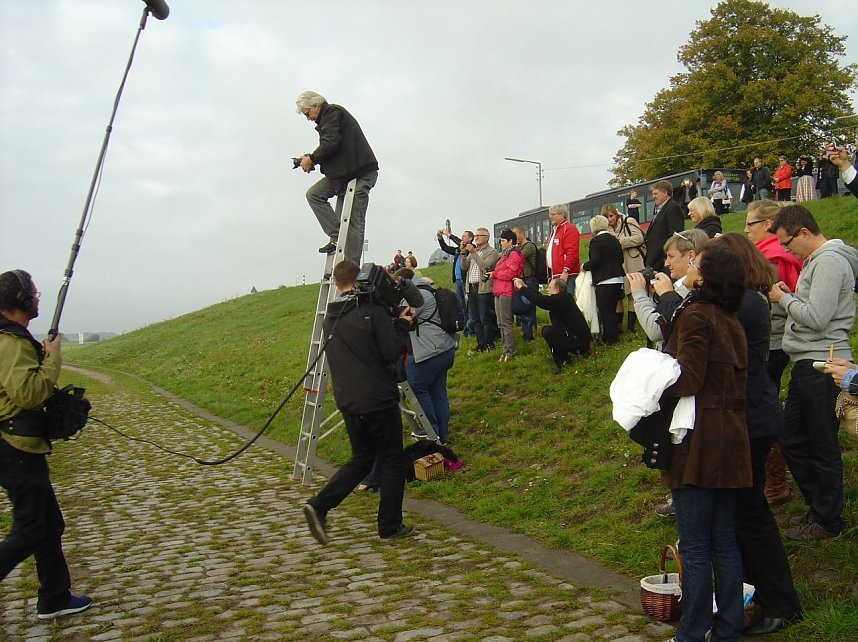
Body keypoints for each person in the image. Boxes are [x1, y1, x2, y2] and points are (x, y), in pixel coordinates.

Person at [709, 235, 803, 637]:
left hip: (751, 419)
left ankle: (781, 603)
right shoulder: (747, 300)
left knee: (752, 515)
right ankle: (750, 595)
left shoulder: (744, 303)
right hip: (750, 416)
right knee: (743, 515)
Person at [660, 244, 751, 642]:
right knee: (723, 542)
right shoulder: (732, 320)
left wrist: (653, 381)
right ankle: (728, 628)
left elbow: (689, 379)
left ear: (705, 276)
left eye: (695, 262)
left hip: (700, 438)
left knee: (697, 545)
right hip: (731, 437)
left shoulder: (697, 314)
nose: (689, 265)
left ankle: (692, 633)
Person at [0, 270, 93, 620]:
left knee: (48, 523)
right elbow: (29, 394)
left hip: (19, 447)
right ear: (21, 300)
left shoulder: (12, 339)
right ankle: (53, 596)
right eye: (35, 293)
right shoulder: (8, 342)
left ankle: (54, 597)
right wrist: (52, 358)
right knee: (31, 529)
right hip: (14, 448)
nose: (39, 298)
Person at [302, 261, 415, 544]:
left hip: (349, 399)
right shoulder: (371, 311)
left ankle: (319, 505)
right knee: (392, 460)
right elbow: (391, 351)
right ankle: (389, 526)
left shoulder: (332, 315)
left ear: (338, 284)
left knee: (362, 458)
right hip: (377, 397)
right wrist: (401, 324)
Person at [768, 205, 858, 540]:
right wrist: (792, 297)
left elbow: (819, 318)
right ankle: (818, 508)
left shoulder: (830, 261)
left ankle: (827, 521)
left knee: (820, 444)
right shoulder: (817, 261)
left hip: (824, 364)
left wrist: (783, 299)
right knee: (793, 438)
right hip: (810, 361)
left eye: (788, 242)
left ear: (804, 232)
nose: (786, 250)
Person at [743, 199, 802, 506]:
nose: (746, 229)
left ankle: (775, 484)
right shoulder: (769, 254)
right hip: (773, 341)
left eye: (750, 224)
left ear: (766, 225)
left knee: (764, 411)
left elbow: (773, 304)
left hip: (773, 342)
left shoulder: (771, 258)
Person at [295, 91, 378, 264]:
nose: (308, 118)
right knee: (314, 195)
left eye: (307, 113)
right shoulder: (328, 119)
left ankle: (351, 268)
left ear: (316, 106)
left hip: (359, 174)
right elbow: (333, 148)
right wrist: (312, 160)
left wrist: (311, 159)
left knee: (355, 222)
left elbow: (331, 143)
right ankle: (338, 235)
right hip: (342, 176)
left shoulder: (332, 113)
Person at [397, 267, 457, 446]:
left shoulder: (418, 295)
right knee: (437, 390)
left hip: (430, 350)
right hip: (444, 348)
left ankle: (432, 432)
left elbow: (406, 317)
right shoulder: (427, 289)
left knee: (416, 387)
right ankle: (442, 436)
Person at [629, 229, 710, 351]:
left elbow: (656, 331)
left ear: (691, 256)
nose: (666, 263)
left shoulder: (689, 290)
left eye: (671, 256)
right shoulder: (691, 287)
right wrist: (655, 295)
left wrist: (639, 294)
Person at [512, 277, 590, 374]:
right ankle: (564, 359)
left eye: (549, 288)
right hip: (580, 338)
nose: (547, 290)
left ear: (557, 290)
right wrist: (525, 287)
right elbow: (541, 298)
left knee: (548, 331)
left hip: (579, 342)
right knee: (552, 330)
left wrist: (521, 288)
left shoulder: (560, 299)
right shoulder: (564, 297)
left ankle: (563, 361)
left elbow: (541, 301)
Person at [581, 215, 624, 346]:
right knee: (612, 309)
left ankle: (610, 340)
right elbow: (621, 259)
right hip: (618, 278)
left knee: (606, 311)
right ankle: (611, 336)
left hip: (604, 280)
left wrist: (584, 266)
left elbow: (595, 261)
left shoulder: (596, 241)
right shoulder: (614, 239)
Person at [603, 204, 645, 333]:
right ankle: (619, 326)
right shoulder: (605, 228)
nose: (610, 219)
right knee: (619, 294)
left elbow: (639, 238)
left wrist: (620, 242)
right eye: (607, 217)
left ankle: (631, 327)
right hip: (617, 263)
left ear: (616, 214)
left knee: (632, 292)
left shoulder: (629, 221)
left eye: (611, 216)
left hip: (632, 259)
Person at [461, 227, 499, 353]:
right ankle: (480, 344)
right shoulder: (474, 251)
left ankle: (489, 344)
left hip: (484, 288)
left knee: (485, 318)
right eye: (476, 235)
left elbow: (485, 267)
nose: (476, 237)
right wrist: (463, 253)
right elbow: (464, 266)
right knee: (475, 319)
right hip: (471, 288)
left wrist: (473, 253)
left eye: (479, 235)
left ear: (486, 237)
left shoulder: (491, 251)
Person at [490, 229, 524, 362]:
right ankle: (505, 349)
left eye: (503, 241)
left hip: (507, 290)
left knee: (506, 323)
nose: (501, 243)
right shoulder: (505, 255)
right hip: (498, 290)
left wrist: (495, 274)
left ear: (510, 241)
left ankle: (510, 351)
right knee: (500, 323)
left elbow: (511, 273)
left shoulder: (514, 254)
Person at [436, 229, 474, 337]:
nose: (462, 238)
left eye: (464, 236)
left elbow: (459, 243)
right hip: (457, 281)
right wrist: (440, 238)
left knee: (469, 306)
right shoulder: (458, 249)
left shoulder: (471, 248)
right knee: (462, 307)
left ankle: (471, 331)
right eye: (462, 236)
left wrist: (449, 235)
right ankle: (466, 331)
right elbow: (446, 248)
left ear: (470, 238)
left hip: (465, 280)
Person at [643, 180, 685, 271]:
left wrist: (667, 257)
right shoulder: (662, 209)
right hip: (656, 260)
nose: (653, 197)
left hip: (663, 261)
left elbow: (675, 236)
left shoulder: (672, 208)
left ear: (665, 193)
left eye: (655, 193)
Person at [545, 204, 580, 296]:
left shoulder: (569, 229)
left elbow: (572, 252)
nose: (550, 217)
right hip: (555, 273)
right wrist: (549, 274)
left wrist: (565, 271)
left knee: (565, 301)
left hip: (565, 274)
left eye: (553, 214)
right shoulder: (554, 230)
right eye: (549, 214)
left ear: (562, 215)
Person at [511, 226, 538, 341]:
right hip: (521, 279)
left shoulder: (529, 246)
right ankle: (526, 334)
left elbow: (518, 258)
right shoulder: (518, 248)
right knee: (521, 307)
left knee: (528, 308)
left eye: (515, 234)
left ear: (522, 233)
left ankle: (531, 335)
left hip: (529, 280)